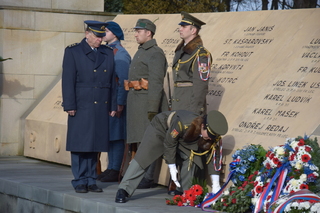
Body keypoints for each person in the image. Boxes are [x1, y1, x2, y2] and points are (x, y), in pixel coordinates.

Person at [114, 110, 228, 203]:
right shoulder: (184, 123)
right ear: (203, 126)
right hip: (161, 128)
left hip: (183, 139)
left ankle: (184, 192)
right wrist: (172, 167)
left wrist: (216, 185)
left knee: (192, 158)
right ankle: (124, 189)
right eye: (209, 135)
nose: (210, 139)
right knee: (144, 156)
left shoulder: (211, 136)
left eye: (213, 137)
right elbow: (169, 143)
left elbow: (213, 158)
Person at [62, 20, 117, 193]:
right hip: (82, 103)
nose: (100, 40)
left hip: (101, 104)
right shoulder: (73, 52)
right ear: (87, 34)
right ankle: (79, 179)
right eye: (97, 36)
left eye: (102, 36)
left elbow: (113, 83)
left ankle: (91, 179)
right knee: (80, 144)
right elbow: (68, 80)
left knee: (95, 143)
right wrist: (70, 104)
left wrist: (113, 104)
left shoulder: (107, 53)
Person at [124, 19, 169, 188]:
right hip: (137, 102)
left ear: (148, 32)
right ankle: (139, 175)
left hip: (146, 104)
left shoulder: (155, 53)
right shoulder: (141, 51)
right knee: (140, 141)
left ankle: (148, 177)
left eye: (138, 31)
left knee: (148, 141)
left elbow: (156, 82)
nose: (135, 34)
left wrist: (152, 108)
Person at [96, 21, 131, 182]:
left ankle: (115, 169)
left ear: (115, 34)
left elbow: (123, 80)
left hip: (115, 100)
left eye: (107, 31)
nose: (103, 34)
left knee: (116, 136)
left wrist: (120, 102)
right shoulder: (108, 51)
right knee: (109, 134)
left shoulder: (120, 54)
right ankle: (110, 167)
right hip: (106, 100)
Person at [171, 11, 212, 115]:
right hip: (178, 104)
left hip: (190, 107)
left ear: (193, 30)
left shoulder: (201, 54)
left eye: (184, 27)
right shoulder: (180, 51)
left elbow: (200, 87)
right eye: (181, 26)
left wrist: (194, 111)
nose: (180, 29)